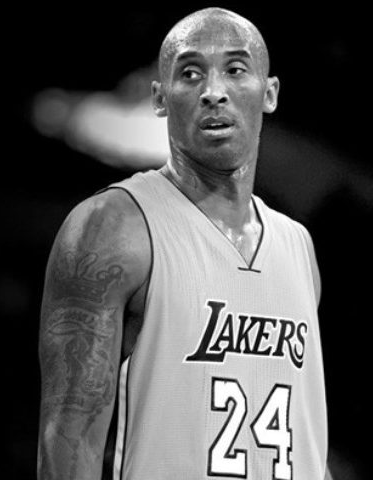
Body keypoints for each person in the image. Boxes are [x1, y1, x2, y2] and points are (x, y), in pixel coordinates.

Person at [37, 7, 331, 480]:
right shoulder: (111, 227)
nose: (213, 91)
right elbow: (68, 443)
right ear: (160, 97)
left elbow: (307, 442)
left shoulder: (298, 246)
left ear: (269, 93)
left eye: (236, 69)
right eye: (191, 73)